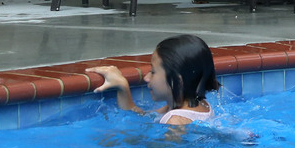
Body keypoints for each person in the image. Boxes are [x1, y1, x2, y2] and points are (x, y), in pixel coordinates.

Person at [86, 34, 219, 126]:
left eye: (153, 72)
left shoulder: (174, 122)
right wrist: (123, 87)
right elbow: (143, 115)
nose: (146, 77)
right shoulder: (201, 105)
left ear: (177, 81)